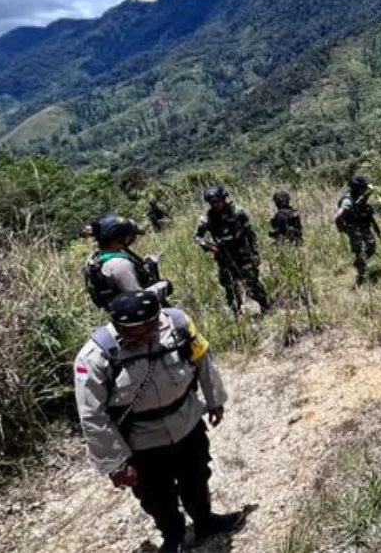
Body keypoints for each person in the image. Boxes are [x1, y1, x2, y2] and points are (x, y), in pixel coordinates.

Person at [73, 291, 244, 552]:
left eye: (149, 329)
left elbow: (203, 360)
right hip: (142, 440)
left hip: (186, 422)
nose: (143, 337)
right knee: (155, 494)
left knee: (197, 475)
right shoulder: (94, 357)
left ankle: (204, 520)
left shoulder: (178, 324)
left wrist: (214, 399)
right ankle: (173, 535)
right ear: (118, 326)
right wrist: (116, 462)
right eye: (134, 333)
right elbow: (92, 414)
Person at [194, 186, 271, 315]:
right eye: (212, 202)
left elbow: (250, 234)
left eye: (217, 201)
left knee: (253, 284)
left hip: (243, 255)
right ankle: (236, 314)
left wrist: (255, 253)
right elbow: (197, 237)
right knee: (230, 288)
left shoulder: (237, 212)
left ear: (224, 199)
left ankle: (266, 309)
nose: (215, 205)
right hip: (224, 258)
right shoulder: (207, 219)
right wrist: (208, 246)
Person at [82, 214, 171, 310]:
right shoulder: (120, 265)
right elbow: (138, 300)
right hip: (136, 319)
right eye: (129, 236)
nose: (132, 239)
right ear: (119, 238)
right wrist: (162, 287)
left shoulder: (96, 258)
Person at [334, 175, 381, 285]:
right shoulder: (348, 200)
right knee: (360, 250)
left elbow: (371, 190)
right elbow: (339, 217)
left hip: (364, 225)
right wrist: (342, 228)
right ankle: (361, 276)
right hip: (353, 228)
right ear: (357, 188)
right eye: (363, 187)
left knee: (371, 246)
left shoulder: (361, 196)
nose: (365, 189)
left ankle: (359, 263)